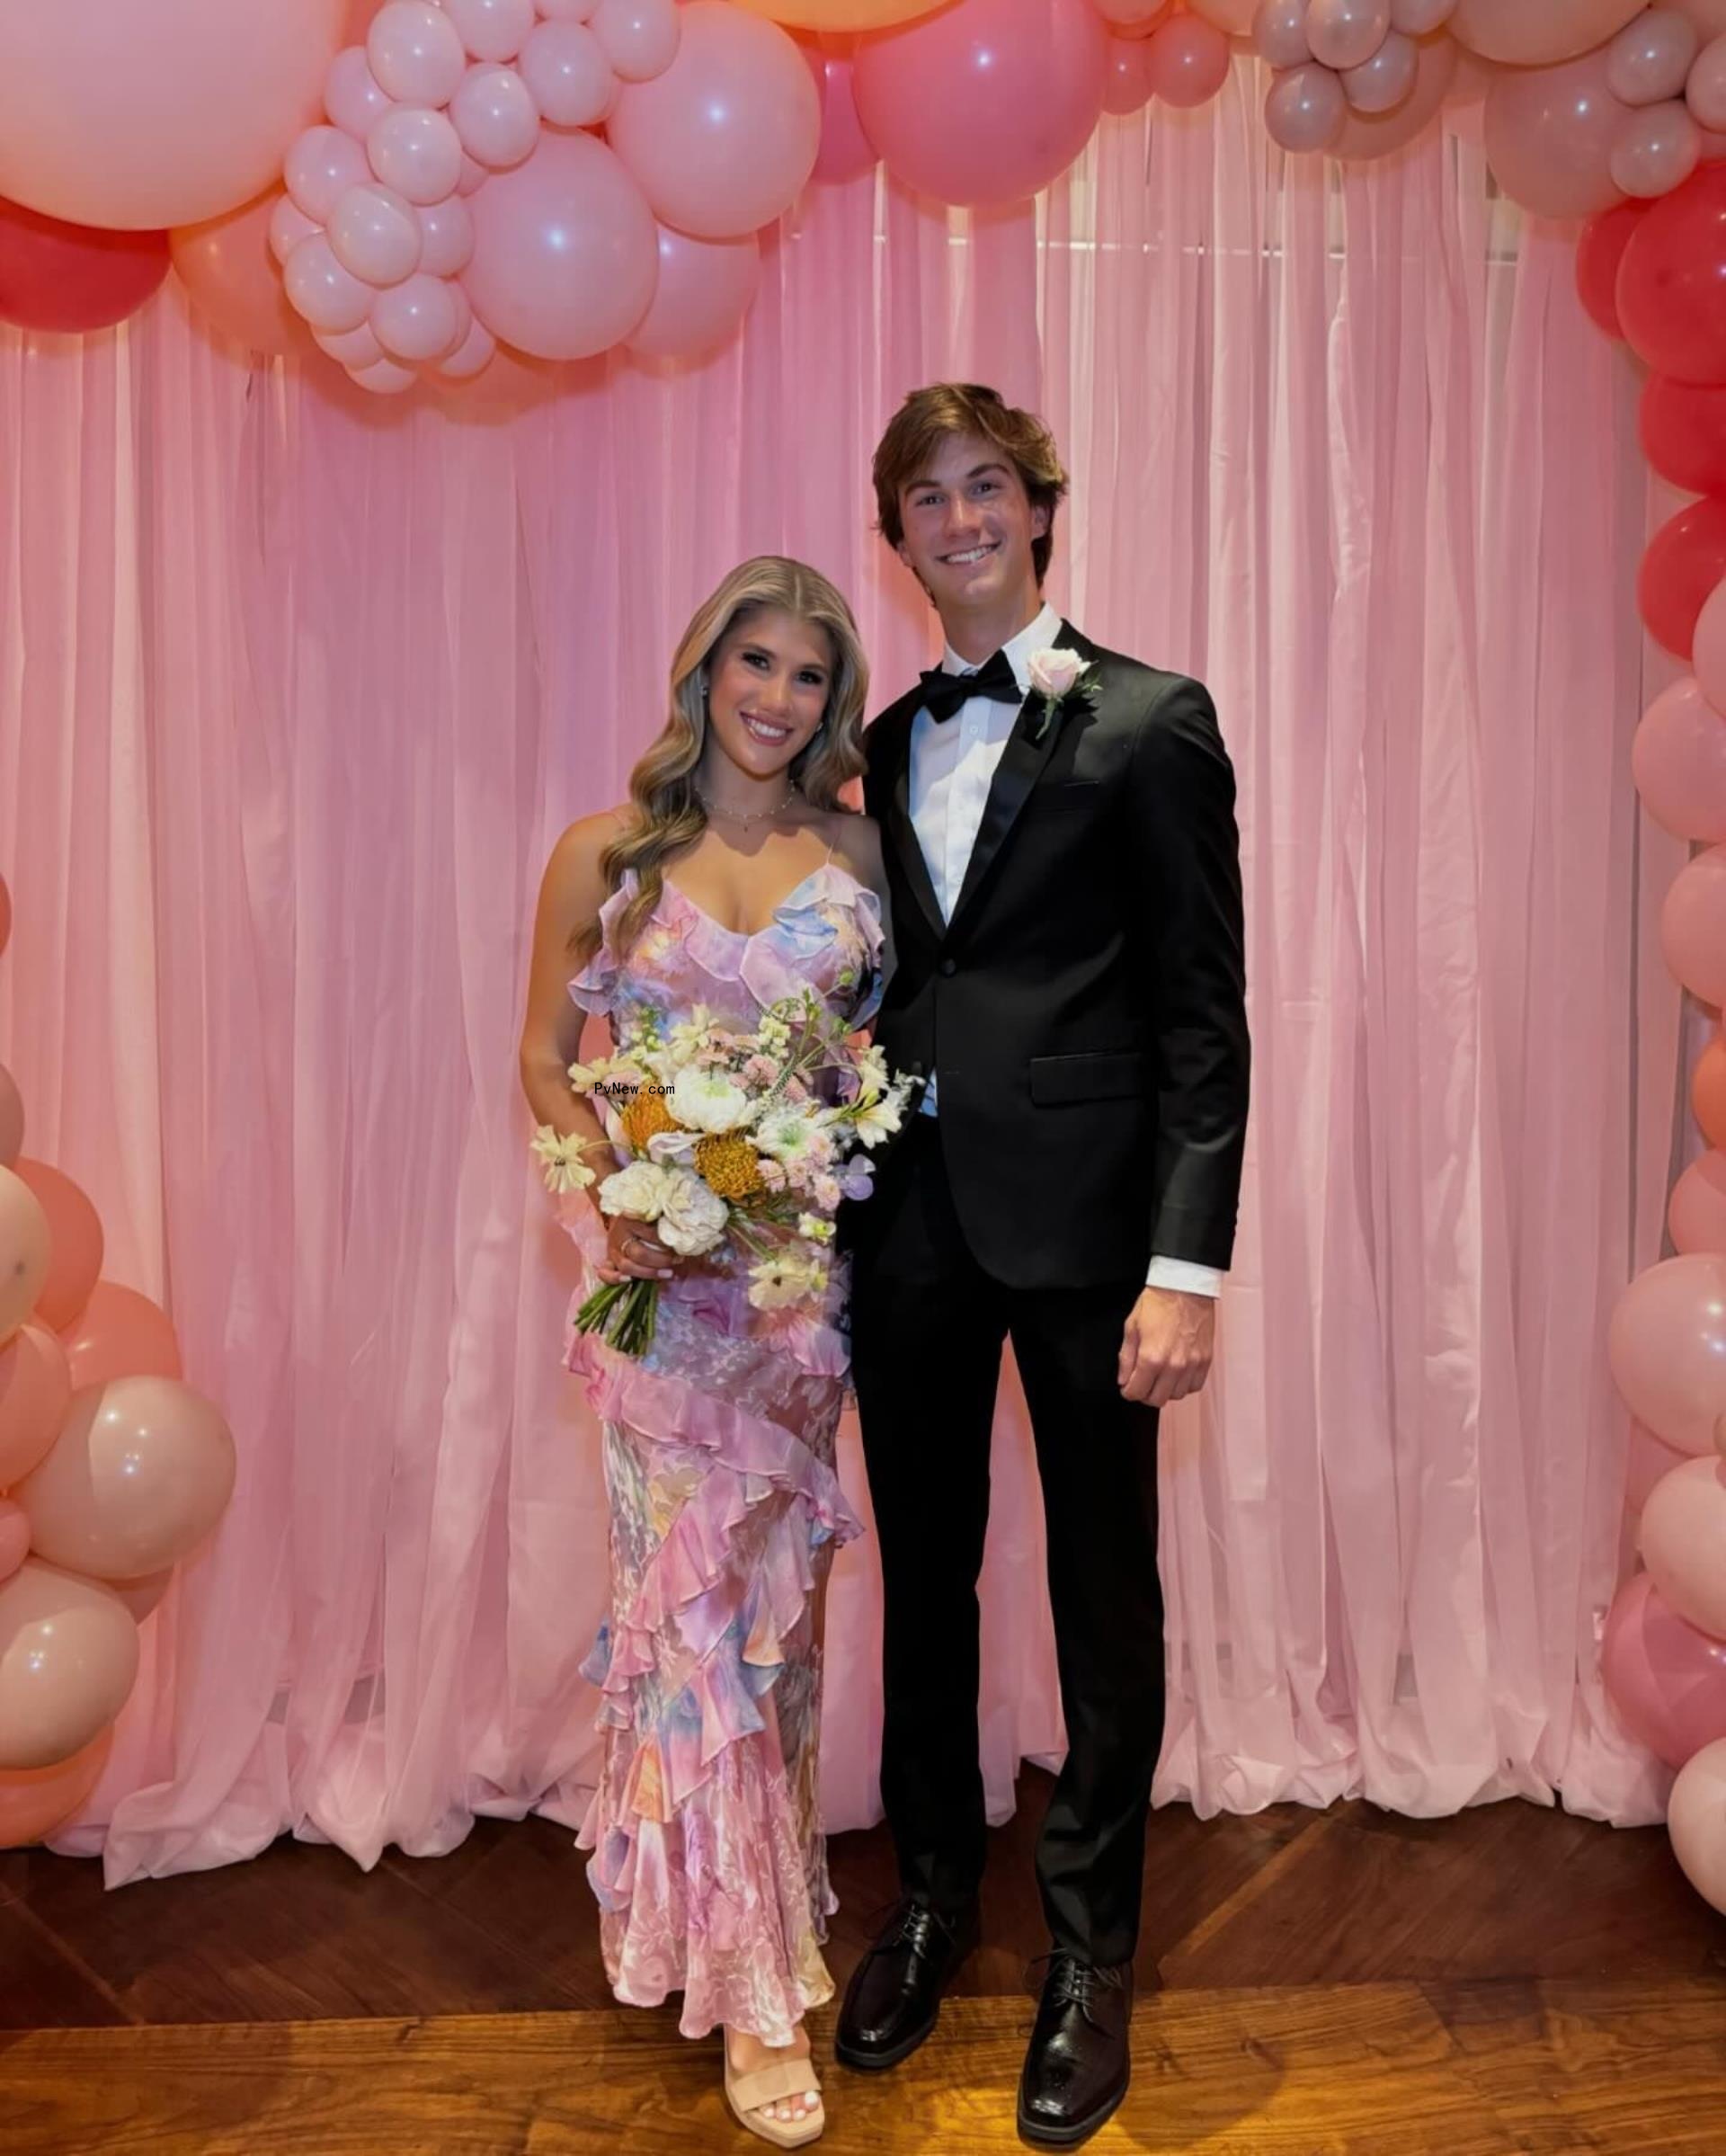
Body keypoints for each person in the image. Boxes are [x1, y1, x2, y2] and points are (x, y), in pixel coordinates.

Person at [837, 385, 1250, 2148]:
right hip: (907, 1223)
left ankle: (1092, 1954)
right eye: (923, 496)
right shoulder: (877, 727)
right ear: (898, 533)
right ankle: (933, 1895)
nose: (957, 519)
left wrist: (1188, 1263)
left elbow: (1204, 1015)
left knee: (1104, 1598)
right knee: (923, 1577)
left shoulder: (1152, 719)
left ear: (1039, 506)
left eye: (983, 485)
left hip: (1094, 1238)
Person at [519, 557, 887, 2149]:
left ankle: (760, 1930)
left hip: (802, 1309)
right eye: (756, 660)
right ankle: (749, 1997)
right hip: (665, 1304)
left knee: (774, 1643)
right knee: (686, 1632)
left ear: (834, 702)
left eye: (810, 675)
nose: (777, 698)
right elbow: (545, 1059)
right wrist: (617, 1193)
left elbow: (889, 1066)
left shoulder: (863, 849)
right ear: (702, 667)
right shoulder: (603, 851)